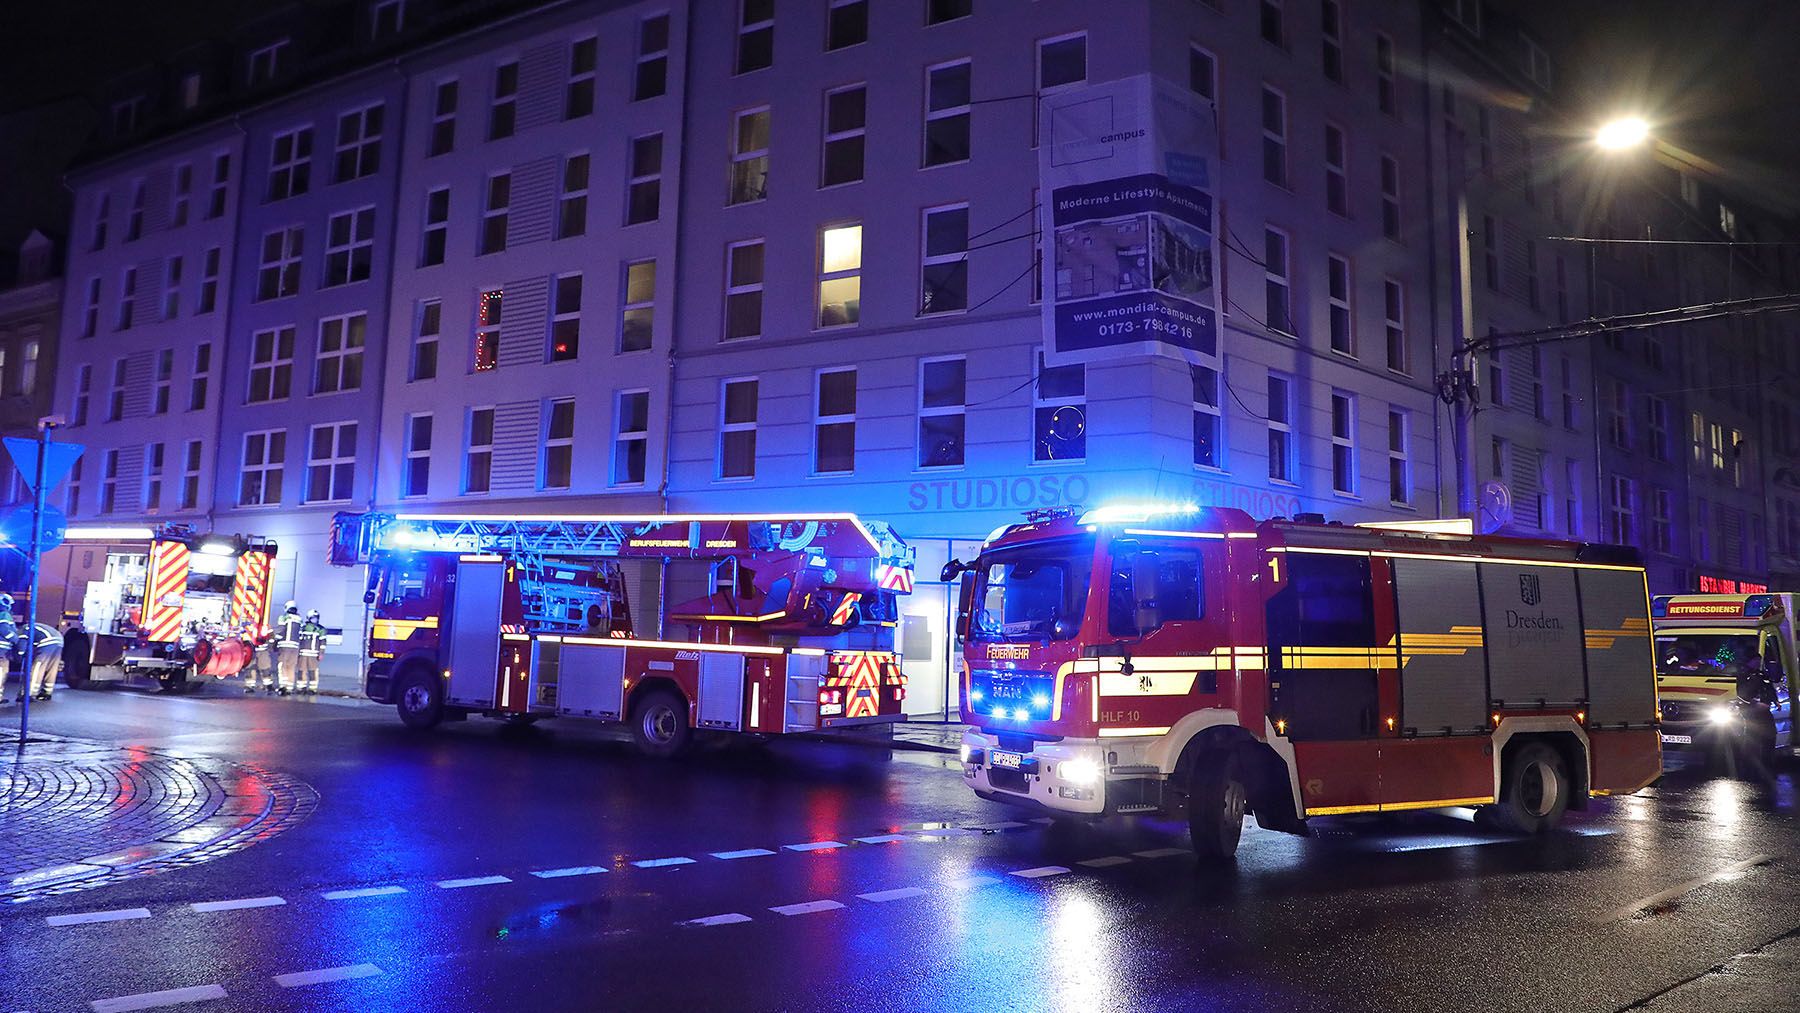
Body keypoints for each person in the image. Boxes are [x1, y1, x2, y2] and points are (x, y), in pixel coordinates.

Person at [26, 622, 61, 701]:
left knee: (38, 666)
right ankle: (47, 692)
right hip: (59, 640)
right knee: (52, 667)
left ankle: (30, 693)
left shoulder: (22, 631)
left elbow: (21, 647)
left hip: (47, 641)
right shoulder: (31, 627)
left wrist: (19, 655)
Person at [274, 601, 303, 696]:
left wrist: (275, 641)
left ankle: (283, 686)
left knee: (282, 666)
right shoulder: (299, 619)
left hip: (285, 646)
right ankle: (290, 687)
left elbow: (280, 630)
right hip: (295, 647)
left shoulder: (284, 617)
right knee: (291, 667)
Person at [297, 609, 325, 694]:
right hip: (303, 654)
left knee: (313, 671)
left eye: (316, 618)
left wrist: (321, 653)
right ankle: (301, 688)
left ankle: (313, 689)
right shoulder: (303, 628)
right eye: (313, 618)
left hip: (314, 655)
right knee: (302, 671)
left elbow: (323, 643)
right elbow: (299, 640)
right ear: (309, 618)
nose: (315, 620)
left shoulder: (320, 629)